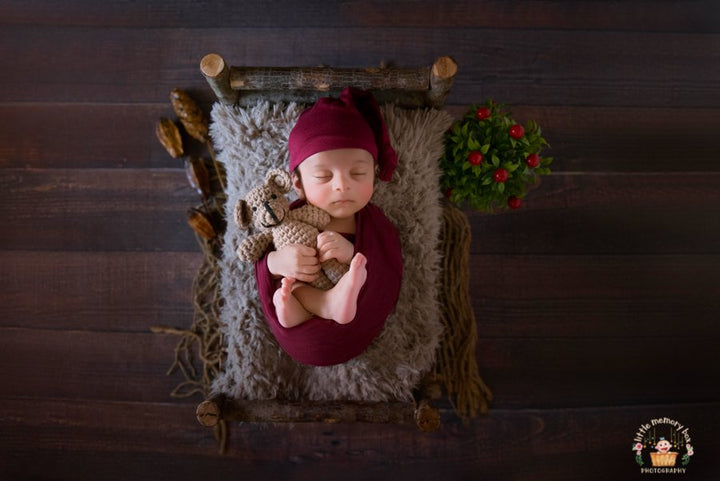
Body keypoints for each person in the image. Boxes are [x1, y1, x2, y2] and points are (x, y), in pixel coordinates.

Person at [254, 87, 403, 366]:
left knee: (327, 285)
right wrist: (277, 261)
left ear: (373, 173)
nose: (342, 185)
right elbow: (259, 256)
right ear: (297, 184)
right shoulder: (287, 217)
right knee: (286, 290)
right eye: (323, 176)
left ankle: (330, 303)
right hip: (299, 324)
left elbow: (388, 271)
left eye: (358, 173)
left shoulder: (377, 227)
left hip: (349, 325)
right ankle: (317, 305)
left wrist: (352, 255)